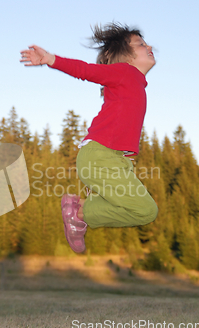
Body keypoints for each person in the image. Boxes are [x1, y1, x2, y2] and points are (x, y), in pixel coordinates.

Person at [20, 22, 159, 253]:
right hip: (102, 157)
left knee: (143, 211)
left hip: (113, 160)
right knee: (145, 210)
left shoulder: (134, 82)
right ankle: (80, 212)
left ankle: (79, 211)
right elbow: (86, 71)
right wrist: (51, 59)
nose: (149, 46)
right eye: (141, 44)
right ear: (124, 57)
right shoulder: (125, 73)